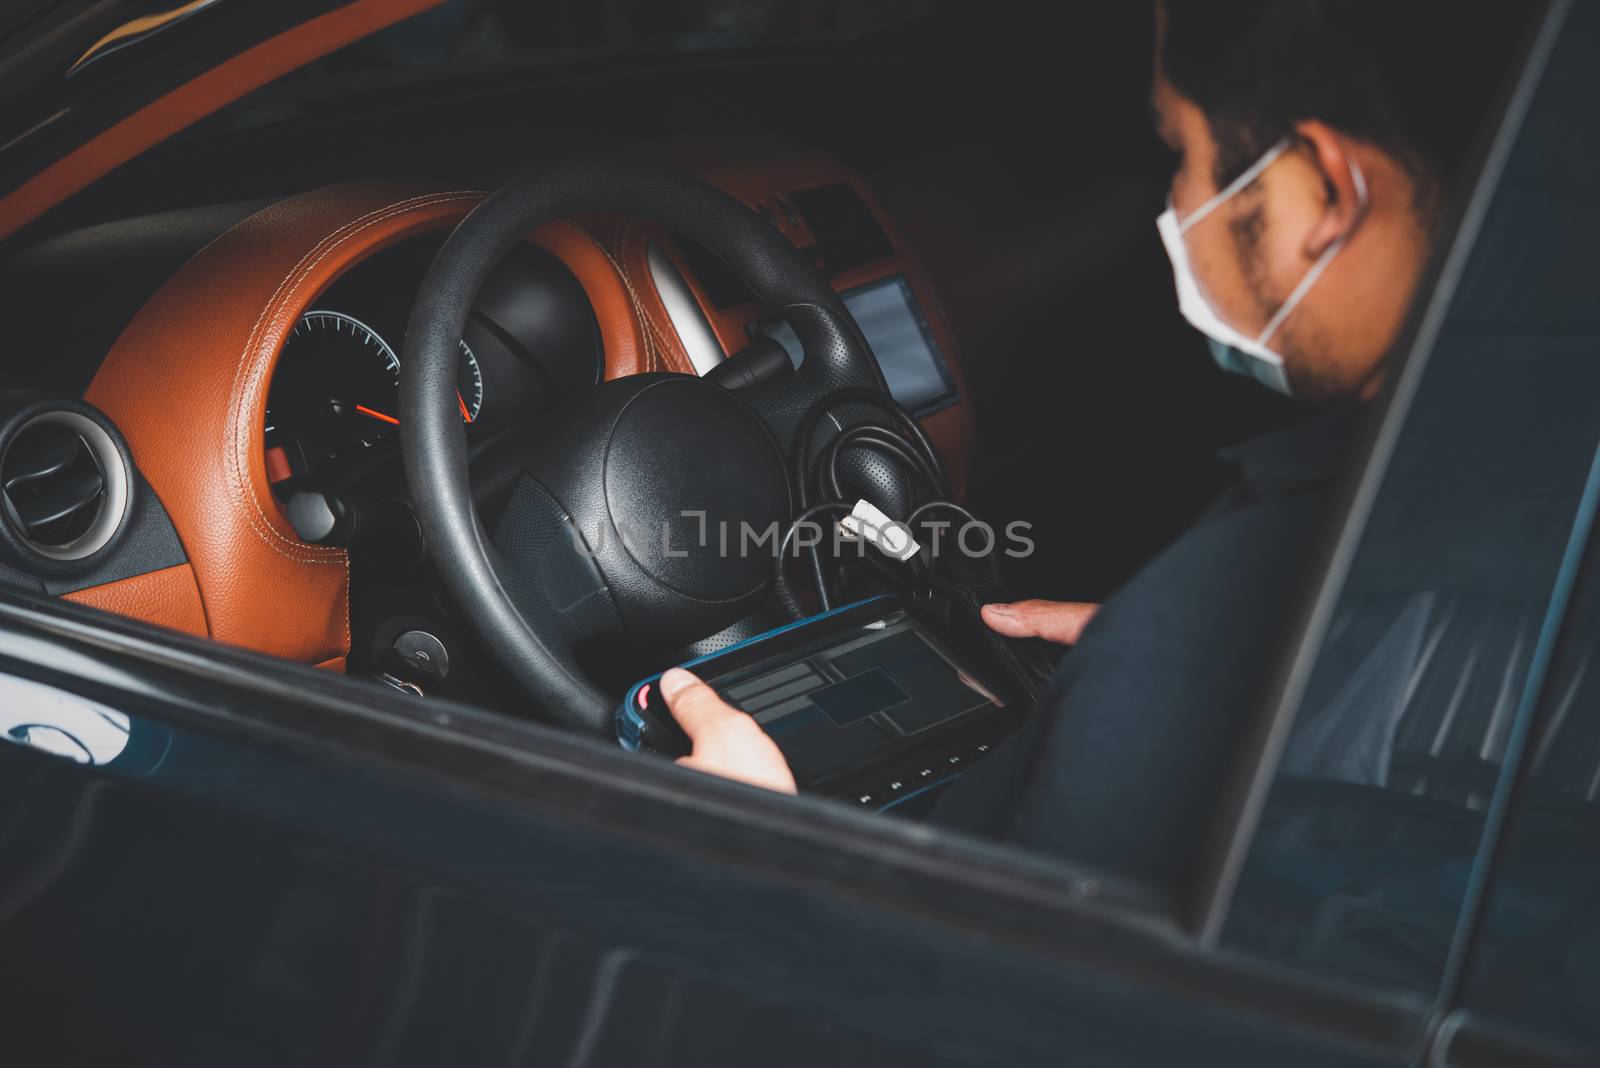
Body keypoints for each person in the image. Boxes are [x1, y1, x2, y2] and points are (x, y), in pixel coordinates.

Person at [655, 0, 1534, 893]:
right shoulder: (1494, 503)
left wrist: (761, 848)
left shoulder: (1209, 623)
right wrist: (1159, 666)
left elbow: (977, 1008)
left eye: (1181, 153)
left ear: (1325, 196)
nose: (1175, 205)